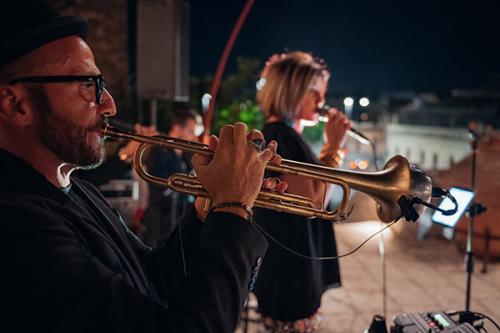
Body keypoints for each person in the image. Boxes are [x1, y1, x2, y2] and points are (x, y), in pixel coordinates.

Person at [0, 1, 282, 332]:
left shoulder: (76, 189)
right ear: (16, 104)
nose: (109, 104)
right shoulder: (16, 225)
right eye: (87, 85)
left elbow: (154, 278)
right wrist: (233, 208)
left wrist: (209, 209)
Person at [253, 51, 351, 332]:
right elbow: (314, 203)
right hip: (289, 271)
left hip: (292, 262)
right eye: (314, 93)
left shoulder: (286, 135)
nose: (321, 101)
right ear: (291, 91)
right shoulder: (280, 138)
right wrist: (333, 148)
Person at [139, 109, 203, 246]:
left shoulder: (187, 155)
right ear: (177, 128)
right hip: (161, 220)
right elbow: (160, 188)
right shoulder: (159, 152)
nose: (194, 138)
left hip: (180, 219)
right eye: (191, 132)